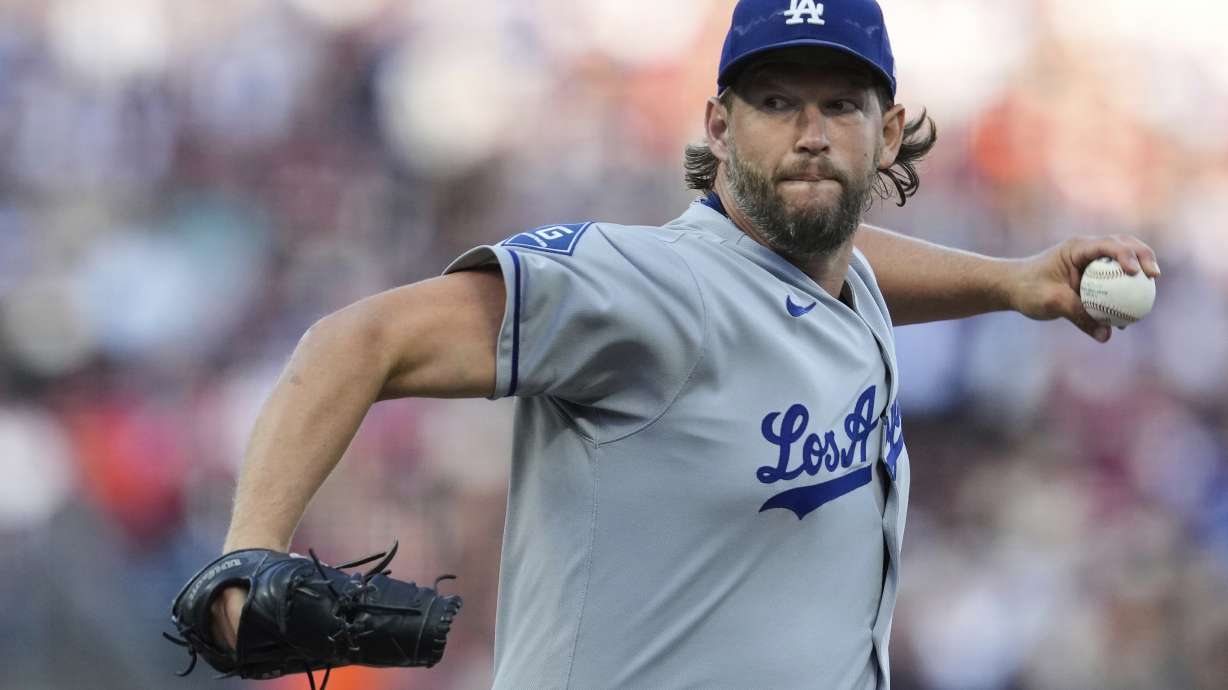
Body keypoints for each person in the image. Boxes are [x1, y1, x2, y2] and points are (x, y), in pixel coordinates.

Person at [208, 0, 1161, 688]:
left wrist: (1012, 282)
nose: (811, 134)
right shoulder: (647, 288)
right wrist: (251, 549)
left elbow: (839, 254)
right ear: (717, 125)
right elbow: (357, 338)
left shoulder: (841, 278)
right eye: (777, 102)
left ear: (889, 133)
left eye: (840, 105)